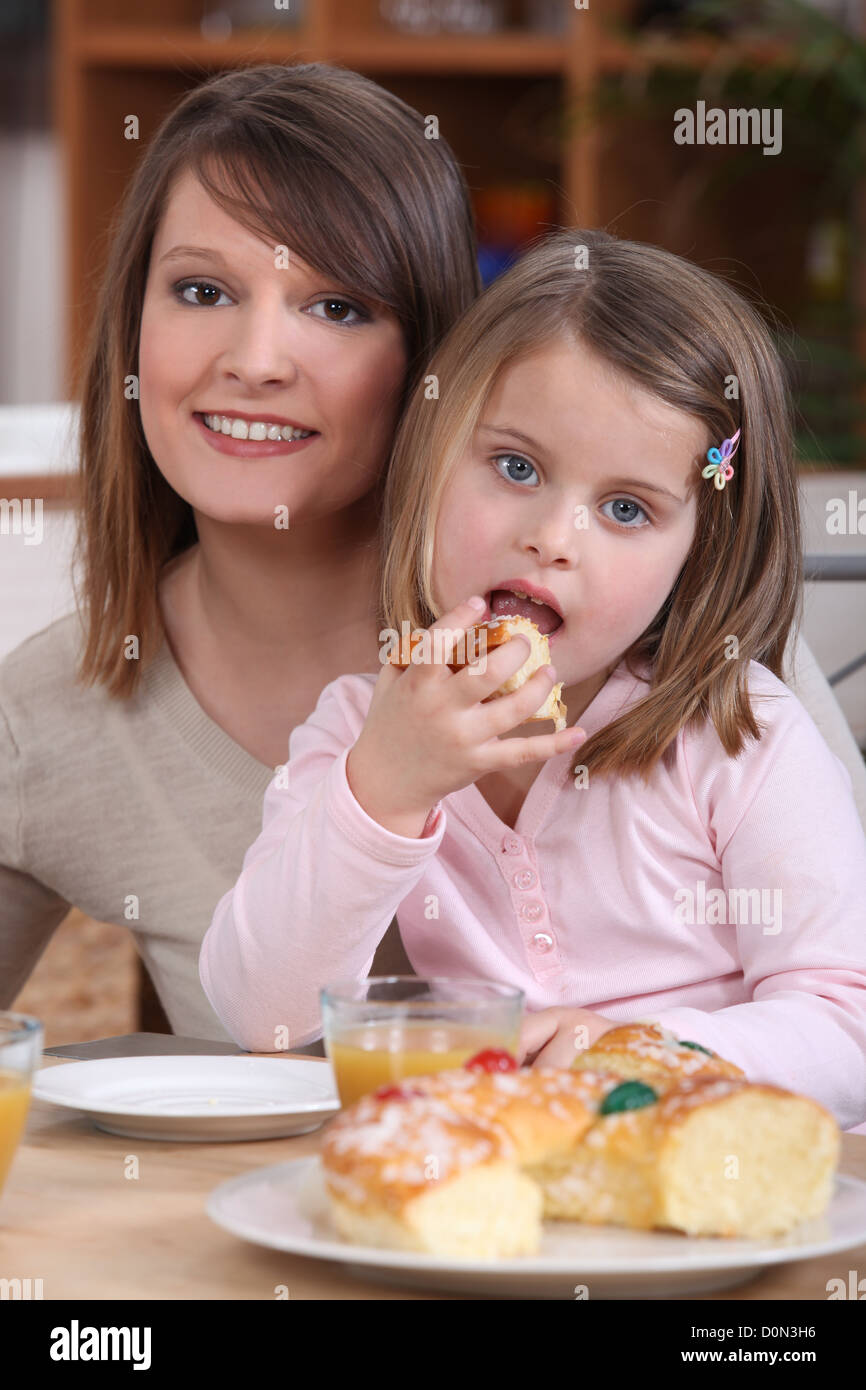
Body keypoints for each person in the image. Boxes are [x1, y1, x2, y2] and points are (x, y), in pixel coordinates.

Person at [200, 228, 866, 1134]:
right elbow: (263, 1014)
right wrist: (383, 790)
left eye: (626, 509)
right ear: (431, 459)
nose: (554, 536)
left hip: (724, 1193)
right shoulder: (365, 728)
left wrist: (637, 1060)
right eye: (515, 468)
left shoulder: (738, 735)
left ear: (697, 554)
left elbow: (847, 1023)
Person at [0, 63, 480, 1039]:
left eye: (337, 306)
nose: (256, 359)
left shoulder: (605, 632)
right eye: (202, 289)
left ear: (429, 358)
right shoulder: (54, 711)